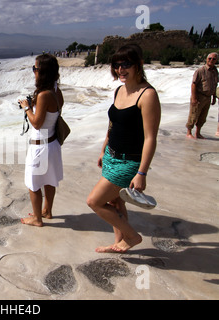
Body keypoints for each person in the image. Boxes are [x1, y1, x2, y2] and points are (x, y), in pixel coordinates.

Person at [86, 44, 161, 253]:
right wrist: (103, 149)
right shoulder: (119, 90)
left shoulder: (147, 95)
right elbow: (113, 125)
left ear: (139, 64)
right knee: (116, 201)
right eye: (117, 65)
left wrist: (141, 173)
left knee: (94, 201)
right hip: (111, 156)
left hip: (129, 162)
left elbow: (150, 138)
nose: (120, 69)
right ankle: (119, 243)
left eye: (126, 64)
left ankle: (132, 236)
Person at [19, 54, 64, 227]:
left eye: (35, 68)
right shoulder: (55, 90)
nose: (33, 72)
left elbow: (36, 123)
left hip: (40, 146)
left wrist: (27, 108)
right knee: (49, 180)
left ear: (42, 72)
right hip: (52, 143)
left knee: (34, 183)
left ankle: (37, 218)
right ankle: (47, 210)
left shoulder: (44, 94)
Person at [186, 52, 218, 139]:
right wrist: (194, 98)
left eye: (214, 59)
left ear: (216, 60)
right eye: (210, 58)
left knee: (203, 116)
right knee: (194, 114)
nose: (211, 60)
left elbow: (215, 85)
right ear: (206, 59)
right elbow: (194, 84)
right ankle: (189, 133)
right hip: (199, 96)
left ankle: (198, 133)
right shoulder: (200, 70)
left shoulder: (215, 71)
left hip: (208, 97)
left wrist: (214, 97)